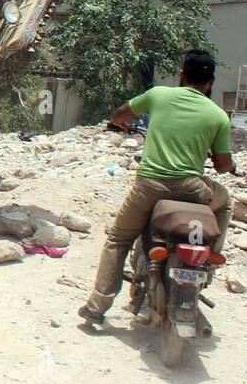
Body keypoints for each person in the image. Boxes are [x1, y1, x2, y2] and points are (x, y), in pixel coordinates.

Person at [79, 50, 239, 325]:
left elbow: (121, 114)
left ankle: (98, 305)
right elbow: (224, 166)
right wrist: (215, 157)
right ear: (211, 82)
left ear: (181, 75)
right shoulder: (218, 116)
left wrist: (121, 124)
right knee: (224, 201)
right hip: (192, 189)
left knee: (118, 239)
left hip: (149, 186)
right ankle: (211, 257)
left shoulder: (158, 95)